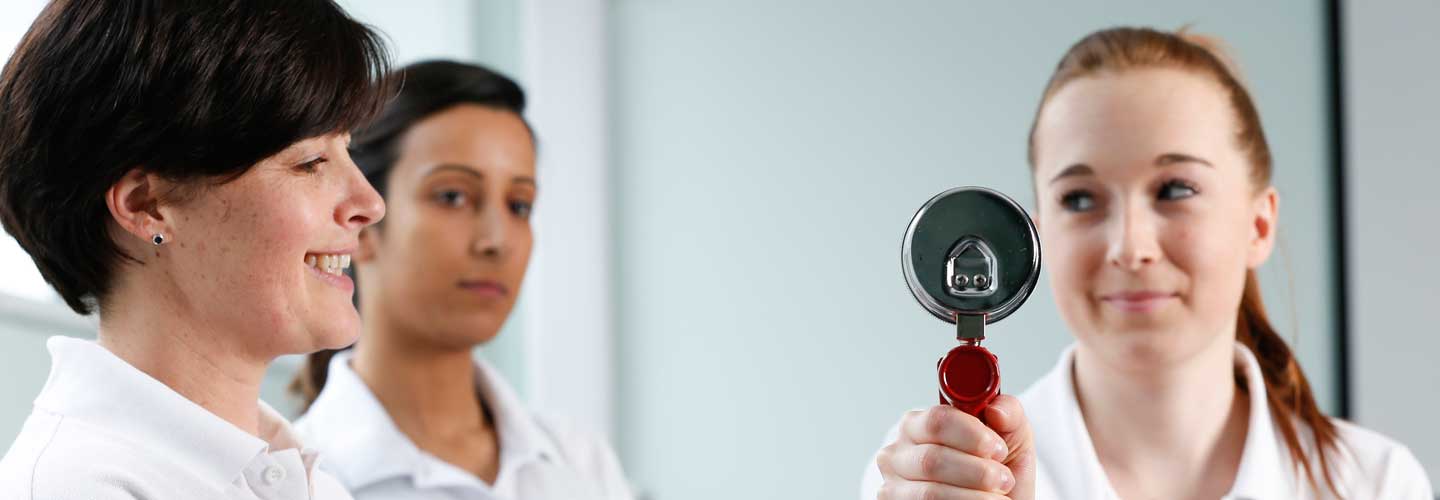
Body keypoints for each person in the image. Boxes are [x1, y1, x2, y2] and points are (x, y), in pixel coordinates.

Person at [862, 27, 1433, 500]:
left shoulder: (1377, 483)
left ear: (1259, 224)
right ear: (1038, 232)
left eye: (1176, 189)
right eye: (1080, 199)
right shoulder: (933, 474)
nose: (1129, 247)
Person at [0, 1, 391, 498]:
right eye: (311, 161)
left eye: (347, 149)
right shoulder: (76, 486)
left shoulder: (311, 484)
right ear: (147, 205)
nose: (370, 203)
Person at [289, 60, 634, 500]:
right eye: (452, 196)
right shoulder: (301, 478)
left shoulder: (579, 462)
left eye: (519, 205)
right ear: (362, 220)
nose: (497, 241)